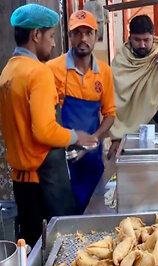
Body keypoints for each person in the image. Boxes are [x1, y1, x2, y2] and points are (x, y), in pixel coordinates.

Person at [0, 3, 97, 245]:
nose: (54, 44)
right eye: (51, 36)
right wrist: (76, 137)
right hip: (45, 184)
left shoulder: (7, 73)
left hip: (22, 185)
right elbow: (43, 131)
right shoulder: (38, 73)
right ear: (36, 35)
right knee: (59, 248)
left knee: (34, 246)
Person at [47, 10, 116, 214]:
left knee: (92, 213)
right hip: (62, 161)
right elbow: (48, 117)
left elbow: (110, 114)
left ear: (96, 36)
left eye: (88, 33)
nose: (83, 39)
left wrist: (92, 140)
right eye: (77, 33)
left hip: (92, 161)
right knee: (64, 215)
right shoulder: (53, 69)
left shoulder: (104, 72)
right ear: (70, 37)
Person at [107, 15, 158, 159]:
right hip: (128, 131)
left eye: (146, 40)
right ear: (129, 37)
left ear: (153, 36)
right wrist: (116, 137)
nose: (142, 45)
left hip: (157, 125)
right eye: (137, 40)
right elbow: (114, 100)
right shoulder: (120, 61)